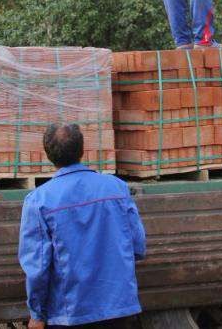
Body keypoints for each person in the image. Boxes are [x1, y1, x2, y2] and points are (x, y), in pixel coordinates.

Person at [19, 123, 146, 328]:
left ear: (48, 155)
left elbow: (38, 268)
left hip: (70, 312)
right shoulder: (117, 188)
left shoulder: (39, 201)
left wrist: (37, 314)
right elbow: (138, 246)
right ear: (82, 150)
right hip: (118, 306)